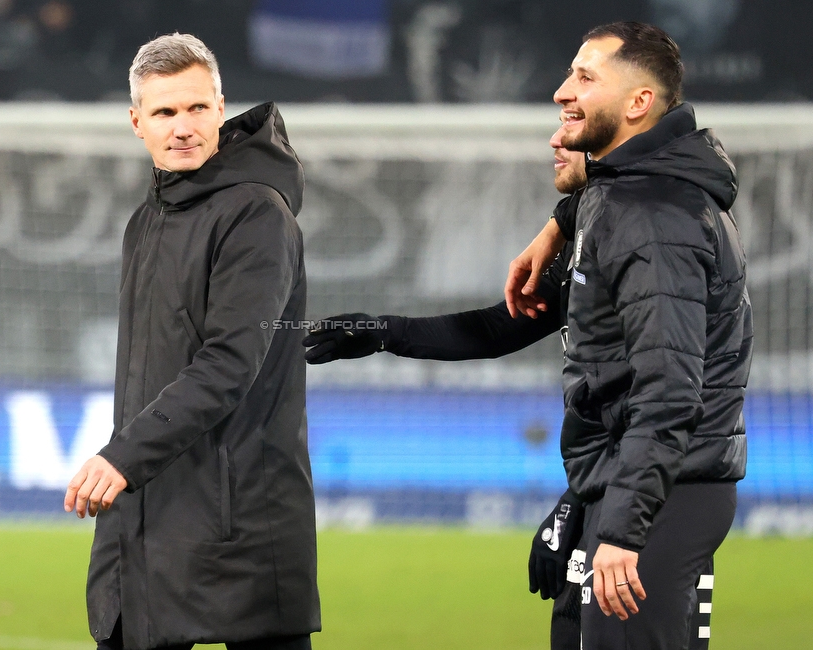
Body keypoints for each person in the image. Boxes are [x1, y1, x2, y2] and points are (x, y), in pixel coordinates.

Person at [62, 33, 320, 650]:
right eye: (165, 112)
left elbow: (230, 363)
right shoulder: (146, 220)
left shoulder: (257, 213)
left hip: (242, 520)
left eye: (198, 108)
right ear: (137, 123)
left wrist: (123, 456)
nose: (183, 127)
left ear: (222, 106)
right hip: (149, 512)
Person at [504, 22, 750, 649]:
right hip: (639, 485)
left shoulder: (653, 216)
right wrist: (560, 223)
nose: (563, 92)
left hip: (660, 495)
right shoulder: (622, 198)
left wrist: (623, 528)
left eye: (586, 77)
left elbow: (667, 388)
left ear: (639, 103)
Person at [304, 123, 590, 650]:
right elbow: (495, 329)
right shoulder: (589, 235)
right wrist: (381, 331)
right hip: (610, 494)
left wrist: (582, 502)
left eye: (575, 118)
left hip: (643, 505)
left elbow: (656, 389)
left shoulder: (649, 234)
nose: (554, 138)